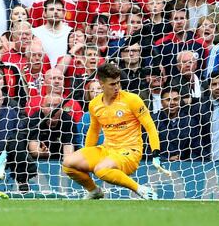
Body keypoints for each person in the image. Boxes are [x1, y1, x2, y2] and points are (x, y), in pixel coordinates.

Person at [61, 62, 168, 200]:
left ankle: (139, 189)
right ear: (101, 84)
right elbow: (94, 130)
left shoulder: (132, 100)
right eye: (112, 84)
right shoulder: (94, 104)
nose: (117, 87)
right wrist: (87, 153)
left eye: (118, 82)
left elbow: (150, 126)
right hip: (107, 149)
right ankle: (94, 191)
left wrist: (156, 154)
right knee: (68, 164)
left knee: (101, 169)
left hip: (130, 151)